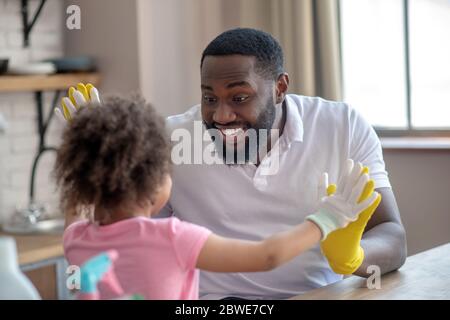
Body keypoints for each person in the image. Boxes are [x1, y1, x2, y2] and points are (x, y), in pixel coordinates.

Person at [56, 27, 406, 300]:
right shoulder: (168, 138)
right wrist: (105, 147)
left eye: (240, 97)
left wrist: (354, 257)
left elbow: (393, 235)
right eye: (209, 97)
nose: (222, 115)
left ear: (280, 87)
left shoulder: (342, 125)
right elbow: (128, 229)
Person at [56, 95, 378, 300]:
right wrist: (327, 218)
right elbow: (267, 256)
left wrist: (90, 140)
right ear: (156, 187)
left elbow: (78, 201)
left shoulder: (76, 240)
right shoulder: (172, 238)